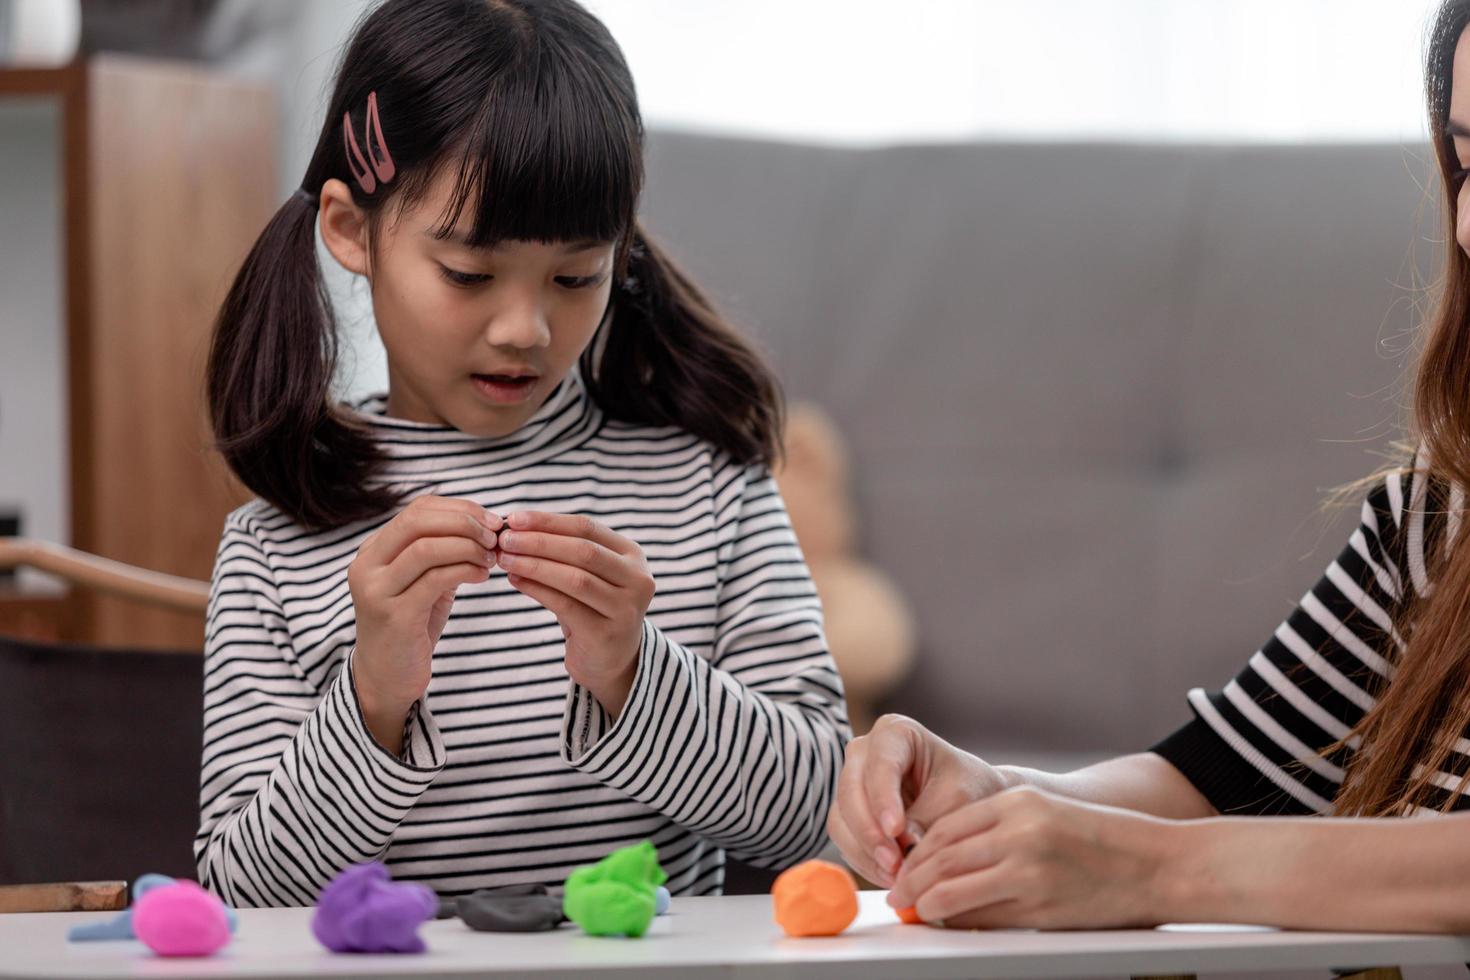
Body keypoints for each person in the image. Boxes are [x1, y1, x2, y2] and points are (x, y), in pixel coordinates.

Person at [829, 0, 1470, 934]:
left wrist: (1159, 875)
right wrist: (989, 797)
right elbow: (1221, 774)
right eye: (1467, 158)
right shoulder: (1434, 525)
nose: (1468, 227)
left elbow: (1172, 849)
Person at [198, 0, 848, 907]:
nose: (525, 328)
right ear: (352, 231)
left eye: (576, 277)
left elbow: (827, 818)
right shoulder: (274, 548)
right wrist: (373, 699)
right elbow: (236, 893)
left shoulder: (708, 486)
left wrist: (633, 672)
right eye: (468, 274)